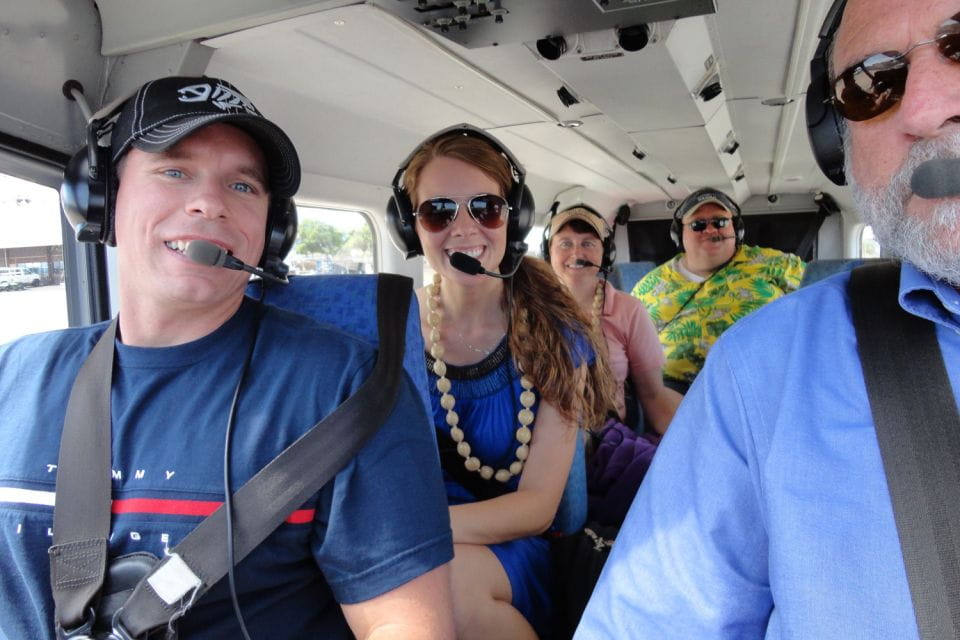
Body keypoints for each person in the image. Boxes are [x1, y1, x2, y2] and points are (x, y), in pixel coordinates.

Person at [0, 75, 454, 639]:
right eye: (174, 171)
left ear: (272, 230)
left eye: (243, 187)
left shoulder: (347, 388)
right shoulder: (13, 373)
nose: (209, 203)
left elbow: (404, 627)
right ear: (101, 199)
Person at [576, 0, 960, 637]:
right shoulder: (698, 321)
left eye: (722, 221)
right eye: (873, 84)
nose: (923, 109)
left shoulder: (778, 280)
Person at [387, 125, 616, 639]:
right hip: (409, 536)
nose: (463, 228)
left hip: (507, 542)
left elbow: (537, 508)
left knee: (447, 590)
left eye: (485, 208)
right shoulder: (390, 324)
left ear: (513, 220)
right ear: (411, 227)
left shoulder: (556, 335)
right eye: (438, 211)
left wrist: (408, 535)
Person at [631, 188, 805, 393]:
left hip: (762, 386)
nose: (711, 230)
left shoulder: (777, 264)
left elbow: (822, 304)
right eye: (698, 225)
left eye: (720, 222)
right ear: (679, 235)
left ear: (736, 229)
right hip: (674, 395)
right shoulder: (649, 286)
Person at [544, 206, 681, 434]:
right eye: (565, 243)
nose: (577, 254)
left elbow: (654, 395)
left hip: (608, 439)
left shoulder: (629, 310)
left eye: (588, 243)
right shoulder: (529, 307)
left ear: (606, 253)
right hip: (546, 434)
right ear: (548, 251)